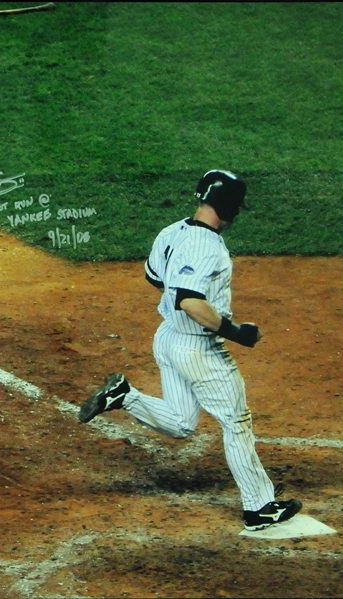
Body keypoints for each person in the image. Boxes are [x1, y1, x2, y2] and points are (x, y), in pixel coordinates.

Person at [78, 169, 302, 531]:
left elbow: (155, 277)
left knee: (182, 423)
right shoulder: (205, 245)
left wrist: (184, 290)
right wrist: (236, 332)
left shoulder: (173, 231)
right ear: (228, 205)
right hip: (199, 349)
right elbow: (189, 301)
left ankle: (124, 396)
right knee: (236, 421)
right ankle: (259, 507)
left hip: (167, 339)